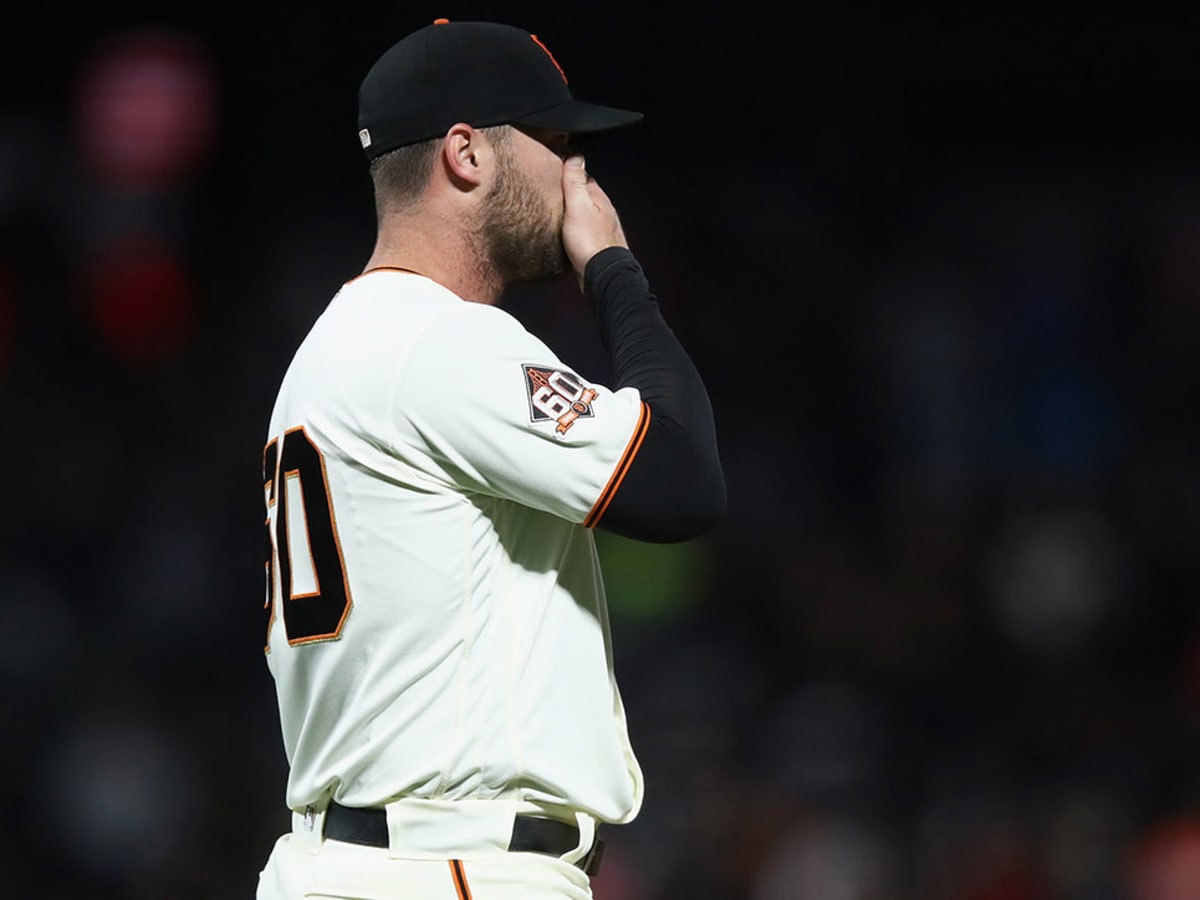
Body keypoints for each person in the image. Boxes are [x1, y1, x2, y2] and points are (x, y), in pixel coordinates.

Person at [255, 18, 725, 900]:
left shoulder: (330, 350)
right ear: (467, 155)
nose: (577, 175)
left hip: (361, 859)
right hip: (449, 867)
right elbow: (682, 481)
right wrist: (615, 269)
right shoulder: (436, 343)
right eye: (554, 142)